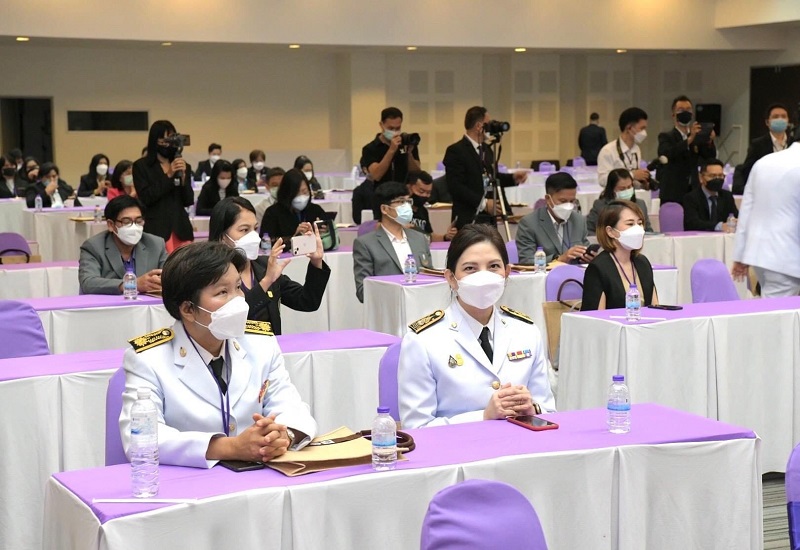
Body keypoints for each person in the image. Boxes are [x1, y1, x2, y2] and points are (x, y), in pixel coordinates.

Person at [119, 241, 317, 468]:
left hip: (258, 476)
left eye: (238, 287)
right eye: (223, 292)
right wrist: (230, 447)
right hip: (190, 482)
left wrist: (282, 436)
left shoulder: (261, 343)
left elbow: (292, 407)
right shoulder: (148, 358)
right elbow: (141, 439)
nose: (238, 301)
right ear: (188, 309)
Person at [398, 224, 555, 429]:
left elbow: (549, 410)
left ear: (507, 273)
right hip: (457, 448)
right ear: (451, 278)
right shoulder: (423, 340)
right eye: (470, 268)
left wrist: (532, 410)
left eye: (493, 266)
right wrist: (484, 416)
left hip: (519, 443)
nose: (484, 277)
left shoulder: (526, 331)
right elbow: (416, 427)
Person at [210, 197, 330, 334]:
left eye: (255, 229)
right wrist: (266, 282)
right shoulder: (212, 273)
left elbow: (307, 301)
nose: (254, 236)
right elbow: (229, 320)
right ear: (222, 236)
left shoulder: (264, 265)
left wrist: (316, 262)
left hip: (270, 345)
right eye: (244, 230)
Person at [732, 142, 800, 297]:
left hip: (760, 254)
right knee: (778, 310)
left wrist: (740, 254)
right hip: (787, 257)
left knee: (773, 305)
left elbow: (747, 210)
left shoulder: (764, 162)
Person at [443, 106, 526, 228]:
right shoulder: (456, 151)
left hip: (489, 219)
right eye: (488, 124)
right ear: (479, 126)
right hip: (468, 218)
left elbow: (492, 177)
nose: (491, 128)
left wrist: (512, 178)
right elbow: (456, 187)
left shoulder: (487, 149)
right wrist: (484, 204)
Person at [352, 181, 432, 303]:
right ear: (384, 209)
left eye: (408, 201)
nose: (407, 206)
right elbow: (363, 291)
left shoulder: (420, 238)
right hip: (387, 307)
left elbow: (430, 276)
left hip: (420, 305)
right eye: (401, 202)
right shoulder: (365, 244)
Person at [78, 195, 167, 295]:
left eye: (138, 221)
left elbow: (171, 277)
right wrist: (133, 284)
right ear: (111, 225)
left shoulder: (156, 244)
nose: (134, 227)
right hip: (110, 304)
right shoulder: (93, 246)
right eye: (126, 222)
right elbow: (88, 283)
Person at [581, 200, 659, 310]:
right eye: (630, 224)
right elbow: (595, 316)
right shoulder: (598, 268)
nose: (638, 229)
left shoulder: (642, 262)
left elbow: (655, 307)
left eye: (640, 223)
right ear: (610, 231)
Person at [133, 120, 195, 252]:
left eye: (171, 139)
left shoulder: (183, 165)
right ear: (155, 141)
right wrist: (168, 175)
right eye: (164, 140)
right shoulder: (141, 166)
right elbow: (145, 198)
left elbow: (188, 200)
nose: (168, 144)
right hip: (156, 228)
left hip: (181, 228)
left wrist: (183, 179)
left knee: (185, 263)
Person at [516, 172, 593, 264]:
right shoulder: (529, 223)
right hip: (545, 273)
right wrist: (559, 259)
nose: (568, 205)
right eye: (563, 201)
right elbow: (526, 261)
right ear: (548, 199)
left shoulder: (579, 220)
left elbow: (585, 249)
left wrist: (589, 258)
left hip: (576, 272)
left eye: (572, 201)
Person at [656, 96, 717, 205]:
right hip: (672, 192)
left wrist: (709, 141)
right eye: (681, 110)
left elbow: (709, 158)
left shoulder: (697, 137)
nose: (685, 113)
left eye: (688, 109)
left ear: (692, 114)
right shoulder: (666, 136)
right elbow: (667, 153)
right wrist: (689, 139)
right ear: (673, 115)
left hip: (693, 190)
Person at [260, 168, 327, 251]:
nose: (301, 197)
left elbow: (334, 239)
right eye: (296, 193)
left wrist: (325, 233)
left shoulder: (315, 210)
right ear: (286, 193)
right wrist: (294, 238)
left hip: (314, 254)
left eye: (304, 192)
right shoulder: (272, 213)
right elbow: (266, 242)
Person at [360, 107, 421, 187]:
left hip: (403, 191)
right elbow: (376, 175)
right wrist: (391, 150)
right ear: (381, 125)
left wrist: (409, 153)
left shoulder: (407, 143)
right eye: (391, 128)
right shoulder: (370, 149)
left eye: (398, 128)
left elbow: (416, 172)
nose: (394, 131)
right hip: (380, 192)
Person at [596, 107, 652, 189]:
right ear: (629, 128)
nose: (644, 133)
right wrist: (632, 175)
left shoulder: (636, 149)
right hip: (614, 196)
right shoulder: (608, 151)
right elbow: (602, 180)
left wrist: (642, 184)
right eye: (641, 128)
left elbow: (633, 181)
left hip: (631, 194)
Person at [586, 168, 653, 234]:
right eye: (622, 189)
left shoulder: (640, 204)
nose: (627, 191)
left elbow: (648, 231)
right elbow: (588, 230)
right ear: (612, 189)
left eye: (629, 187)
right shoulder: (600, 206)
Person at [740, 103, 793, 185]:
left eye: (783, 116)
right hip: (766, 186)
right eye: (775, 117)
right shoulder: (757, 145)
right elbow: (748, 170)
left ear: (788, 120)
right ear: (767, 122)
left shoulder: (794, 143)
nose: (780, 119)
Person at [683, 158, 738, 232]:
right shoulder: (691, 198)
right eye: (712, 176)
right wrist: (719, 226)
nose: (717, 179)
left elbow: (735, 216)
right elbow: (693, 223)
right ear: (701, 178)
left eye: (720, 175)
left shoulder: (727, 196)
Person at [405, 170, 457, 242]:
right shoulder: (401, 211)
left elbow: (429, 236)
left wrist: (446, 237)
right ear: (408, 187)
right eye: (421, 191)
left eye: (428, 192)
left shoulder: (423, 211)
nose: (425, 195)